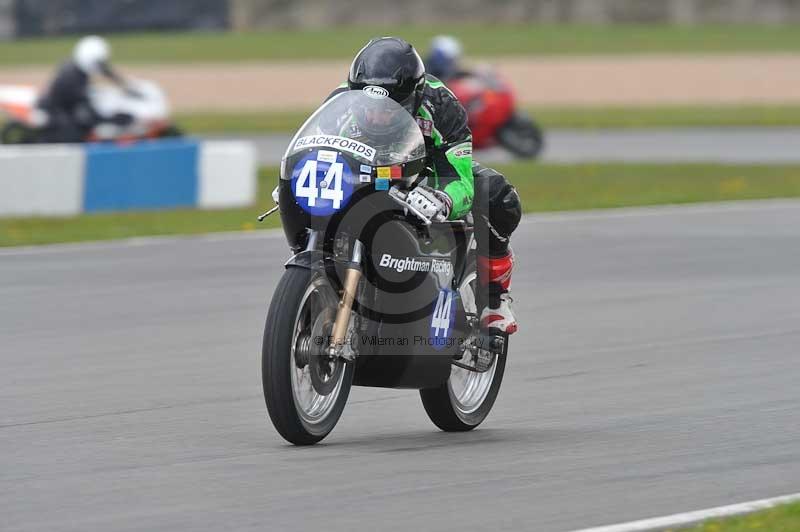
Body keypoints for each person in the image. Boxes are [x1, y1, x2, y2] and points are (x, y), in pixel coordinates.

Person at [334, 37, 521, 334]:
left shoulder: (442, 105)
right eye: (370, 106)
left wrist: (443, 199)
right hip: (366, 174)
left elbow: (460, 178)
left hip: (424, 175)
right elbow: (316, 149)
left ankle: (494, 297)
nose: (376, 116)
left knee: (497, 193)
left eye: (389, 108)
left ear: (413, 97)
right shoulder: (341, 102)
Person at [37, 35, 133, 143]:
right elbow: (89, 110)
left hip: (63, 107)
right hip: (56, 114)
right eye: (99, 62)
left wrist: (124, 84)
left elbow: (104, 70)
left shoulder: (75, 66)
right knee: (77, 133)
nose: (101, 65)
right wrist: (114, 120)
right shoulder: (72, 78)